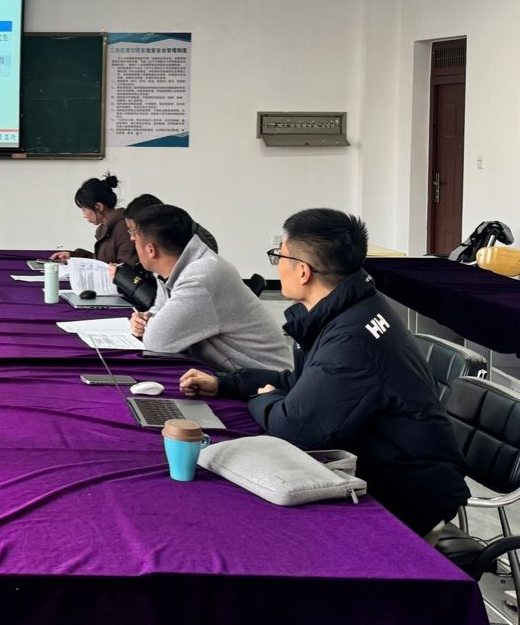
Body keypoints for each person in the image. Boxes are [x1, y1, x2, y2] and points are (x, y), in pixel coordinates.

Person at [180, 209, 469, 536]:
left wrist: (265, 398)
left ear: (303, 271)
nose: (277, 265)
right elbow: (305, 383)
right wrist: (228, 384)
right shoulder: (352, 308)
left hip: (405, 498)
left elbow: (294, 429)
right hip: (389, 469)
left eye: (279, 256)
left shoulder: (351, 339)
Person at [128, 204, 291, 372]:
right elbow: (160, 309)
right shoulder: (176, 267)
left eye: (134, 239)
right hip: (236, 375)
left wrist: (149, 326)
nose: (133, 244)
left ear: (151, 250)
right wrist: (145, 319)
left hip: (266, 379)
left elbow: (157, 342)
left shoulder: (201, 276)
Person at [49, 173, 136, 266]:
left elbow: (126, 268)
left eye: (84, 209)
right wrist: (72, 256)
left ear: (98, 207)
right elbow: (100, 262)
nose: (84, 215)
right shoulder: (102, 229)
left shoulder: (125, 228)